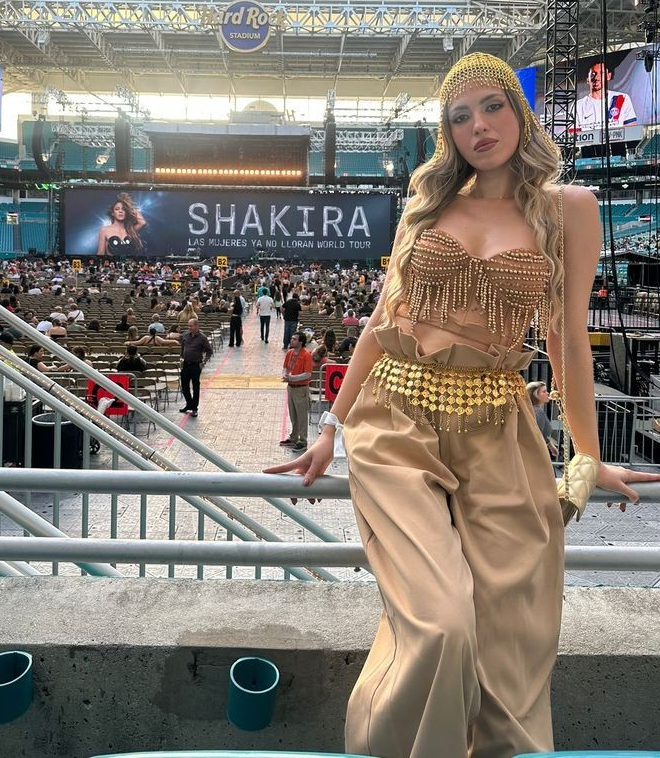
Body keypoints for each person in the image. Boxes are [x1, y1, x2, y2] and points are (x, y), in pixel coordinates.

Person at [264, 51, 660, 758]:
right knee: (442, 622)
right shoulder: (428, 205)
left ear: (519, 110)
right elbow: (383, 327)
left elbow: (570, 341)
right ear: (447, 133)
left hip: (497, 426)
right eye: (460, 115)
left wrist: (588, 458)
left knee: (508, 636)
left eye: (493, 106)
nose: (479, 125)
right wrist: (330, 427)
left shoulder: (571, 210)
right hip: (398, 422)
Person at [576, 61, 637, 129]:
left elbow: (631, 127)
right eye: (593, 74)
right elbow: (573, 133)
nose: (597, 78)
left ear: (609, 76)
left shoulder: (622, 98)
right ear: (588, 79)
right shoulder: (578, 105)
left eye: (601, 73)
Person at [280, 331, 313, 452]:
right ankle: (293, 437)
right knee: (293, 414)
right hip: (291, 387)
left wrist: (293, 378)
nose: (291, 340)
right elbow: (285, 367)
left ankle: (303, 441)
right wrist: (285, 375)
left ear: (301, 342)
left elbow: (308, 374)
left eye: (294, 339)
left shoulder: (306, 355)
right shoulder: (289, 353)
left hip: (301, 389)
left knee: (302, 416)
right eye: (292, 338)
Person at [179, 317, 213, 418]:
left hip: (195, 365)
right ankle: (189, 403)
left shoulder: (202, 338)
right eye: (188, 326)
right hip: (185, 364)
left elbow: (209, 351)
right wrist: (181, 357)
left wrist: (204, 362)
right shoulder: (185, 335)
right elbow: (182, 347)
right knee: (184, 386)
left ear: (197, 326)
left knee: (195, 387)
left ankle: (194, 408)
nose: (189, 328)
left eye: (191, 326)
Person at [527, 380, 559, 460]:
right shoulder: (538, 412)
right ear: (535, 395)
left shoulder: (533, 410)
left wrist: (550, 445)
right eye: (544, 391)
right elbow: (537, 434)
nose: (547, 393)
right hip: (536, 455)